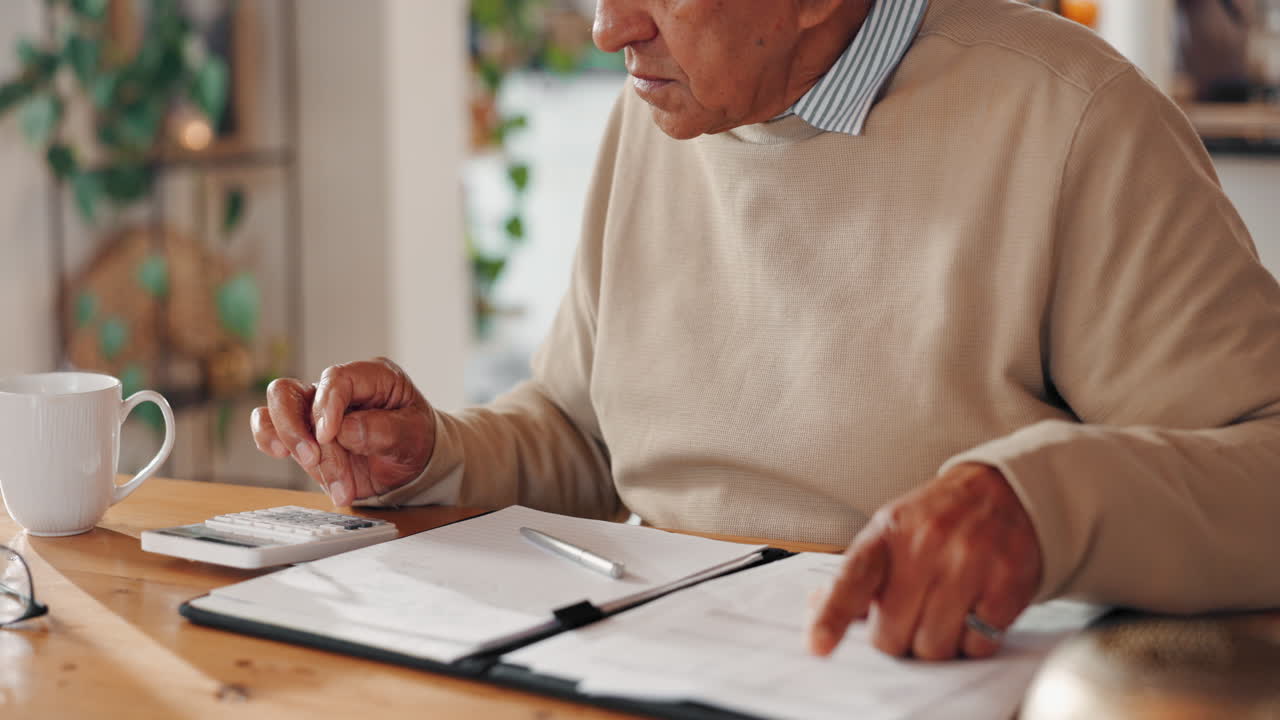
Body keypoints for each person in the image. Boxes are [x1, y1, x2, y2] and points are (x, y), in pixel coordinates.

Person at [252, 0, 1280, 663]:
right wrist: (437, 452)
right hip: (646, 668)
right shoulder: (658, 111)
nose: (608, 27)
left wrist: (1038, 502)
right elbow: (583, 436)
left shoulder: (1069, 118)